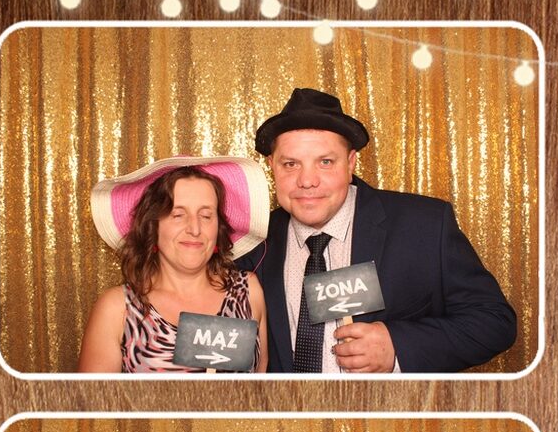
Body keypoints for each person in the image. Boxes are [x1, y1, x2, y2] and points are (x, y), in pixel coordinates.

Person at [239, 88, 517, 374]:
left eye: (325, 162)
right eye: (290, 164)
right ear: (272, 167)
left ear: (350, 163)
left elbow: (495, 322)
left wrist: (397, 346)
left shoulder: (424, 225)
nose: (307, 181)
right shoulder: (252, 243)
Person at [80, 159, 269, 373]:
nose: (195, 229)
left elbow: (261, 385)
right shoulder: (118, 309)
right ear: (153, 226)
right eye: (178, 215)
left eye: (206, 215)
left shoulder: (248, 291)